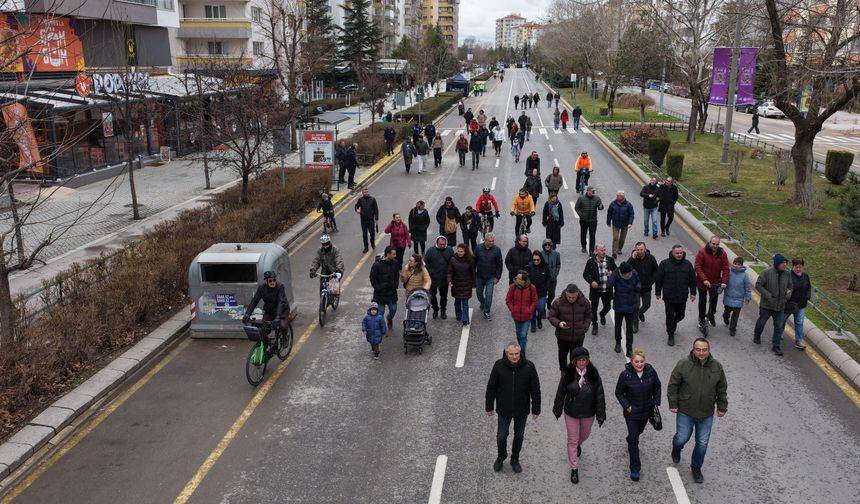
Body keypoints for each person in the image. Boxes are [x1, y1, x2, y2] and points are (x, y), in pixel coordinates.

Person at [668, 338, 728, 484]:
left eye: (704, 350)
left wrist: (722, 407)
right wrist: (673, 403)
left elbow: (722, 389)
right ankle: (676, 448)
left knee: (702, 443)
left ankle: (696, 468)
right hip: (685, 411)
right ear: (693, 349)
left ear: (709, 350)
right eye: (698, 349)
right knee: (681, 438)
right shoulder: (683, 364)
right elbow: (673, 385)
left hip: (706, 413)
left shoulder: (717, 366)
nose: (701, 352)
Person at [552, 347, 606, 485]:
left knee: (585, 435)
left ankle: (578, 445)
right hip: (571, 412)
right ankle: (574, 468)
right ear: (574, 361)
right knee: (572, 440)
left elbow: (599, 394)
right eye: (579, 360)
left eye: (584, 360)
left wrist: (601, 413)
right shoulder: (568, 374)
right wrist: (557, 409)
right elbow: (561, 392)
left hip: (588, 412)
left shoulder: (593, 374)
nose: (582, 363)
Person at [486, 342, 541, 474]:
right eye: (511, 354)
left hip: (522, 410)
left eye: (516, 354)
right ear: (506, 354)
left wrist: (536, 409)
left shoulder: (529, 366)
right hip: (503, 409)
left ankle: (515, 459)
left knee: (519, 436)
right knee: (501, 436)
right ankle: (501, 456)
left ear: (520, 353)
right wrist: (489, 406)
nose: (514, 356)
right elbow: (491, 387)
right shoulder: (498, 366)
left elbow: (535, 389)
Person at [614, 348, 662, 482]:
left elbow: (657, 386)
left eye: (641, 361)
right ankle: (635, 468)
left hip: (646, 412)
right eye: (636, 362)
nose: (639, 364)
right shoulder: (625, 375)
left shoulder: (650, 372)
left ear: (644, 361)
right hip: (632, 414)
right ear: (631, 362)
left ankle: (630, 439)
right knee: (634, 441)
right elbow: (619, 392)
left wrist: (656, 402)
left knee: (638, 432)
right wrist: (627, 406)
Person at [655, 245, 697, 347]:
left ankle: (672, 325)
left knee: (681, 315)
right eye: (677, 253)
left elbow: (692, 280)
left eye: (681, 253)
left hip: (682, 296)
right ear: (672, 253)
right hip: (669, 296)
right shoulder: (664, 263)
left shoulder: (688, 264)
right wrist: (658, 292)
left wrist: (693, 293)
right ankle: (670, 335)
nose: (679, 255)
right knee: (669, 316)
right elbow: (658, 278)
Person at [753, 254, 794, 356]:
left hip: (780, 306)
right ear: (777, 263)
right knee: (761, 322)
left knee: (779, 326)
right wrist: (768, 295)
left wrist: (788, 295)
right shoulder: (766, 272)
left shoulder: (787, 274)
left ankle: (776, 346)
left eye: (785, 263)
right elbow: (758, 285)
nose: (784, 265)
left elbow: (790, 286)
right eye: (782, 263)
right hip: (767, 305)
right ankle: (757, 335)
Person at [548, 283, 592, 371]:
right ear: (566, 294)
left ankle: (573, 374)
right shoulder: (558, 302)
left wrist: (584, 327)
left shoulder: (584, 302)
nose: (571, 299)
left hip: (578, 336)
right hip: (562, 336)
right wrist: (559, 323)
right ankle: (563, 372)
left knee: (575, 357)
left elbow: (589, 316)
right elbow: (551, 316)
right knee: (562, 356)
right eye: (569, 297)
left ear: (578, 294)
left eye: (573, 297)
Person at [694, 236, 730, 331]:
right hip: (703, 283)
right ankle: (701, 318)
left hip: (715, 283)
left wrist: (724, 282)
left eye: (717, 244)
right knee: (702, 301)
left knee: (713, 302)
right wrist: (704, 279)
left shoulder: (722, 253)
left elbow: (726, 269)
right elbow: (698, 267)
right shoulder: (702, 252)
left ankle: (711, 315)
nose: (715, 246)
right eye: (713, 244)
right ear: (709, 243)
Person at [607, 262, 641, 357]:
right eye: (626, 274)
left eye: (629, 273)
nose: (628, 275)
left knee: (629, 328)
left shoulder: (633, 273)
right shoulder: (616, 274)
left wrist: (638, 287)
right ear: (622, 272)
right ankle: (618, 343)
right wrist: (614, 274)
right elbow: (609, 284)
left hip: (631, 305)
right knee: (618, 326)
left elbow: (638, 281)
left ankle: (629, 347)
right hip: (619, 305)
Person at [583, 244, 617, 336]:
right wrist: (591, 282)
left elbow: (616, 270)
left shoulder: (610, 260)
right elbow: (585, 274)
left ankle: (602, 314)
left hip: (607, 289)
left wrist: (612, 273)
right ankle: (595, 325)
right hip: (596, 290)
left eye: (604, 250)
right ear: (596, 251)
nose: (604, 252)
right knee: (593, 309)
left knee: (608, 307)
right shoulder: (591, 261)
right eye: (601, 250)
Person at [628, 242, 659, 333]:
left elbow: (656, 271)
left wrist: (651, 280)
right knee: (636, 307)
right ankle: (635, 323)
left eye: (641, 249)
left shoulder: (651, 258)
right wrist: (632, 258)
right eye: (638, 249)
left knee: (647, 305)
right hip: (635, 288)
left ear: (645, 249)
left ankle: (641, 313)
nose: (640, 251)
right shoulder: (633, 259)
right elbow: (626, 269)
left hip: (647, 287)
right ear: (635, 249)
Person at [369, 246, 400, 329]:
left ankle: (389, 318)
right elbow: (373, 278)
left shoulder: (395, 263)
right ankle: (382, 327)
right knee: (380, 312)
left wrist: (395, 285)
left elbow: (397, 275)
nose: (395, 256)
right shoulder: (377, 265)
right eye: (393, 254)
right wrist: (378, 288)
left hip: (391, 293)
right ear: (388, 254)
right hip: (380, 294)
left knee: (393, 309)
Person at [784, 257, 811, 350]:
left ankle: (798, 341)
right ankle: (778, 334)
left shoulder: (805, 276)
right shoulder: (787, 275)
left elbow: (808, 288)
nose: (798, 269)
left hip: (801, 304)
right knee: (782, 320)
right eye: (796, 267)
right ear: (793, 266)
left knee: (799, 322)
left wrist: (807, 297)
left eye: (800, 267)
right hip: (789, 303)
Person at [506, 272, 538, 352]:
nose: (516, 279)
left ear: (524, 280)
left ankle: (522, 352)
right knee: (518, 334)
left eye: (519, 278)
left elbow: (534, 301)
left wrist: (529, 310)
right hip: (516, 315)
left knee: (523, 335)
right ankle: (520, 347)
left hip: (526, 316)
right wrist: (512, 309)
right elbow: (508, 299)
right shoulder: (513, 287)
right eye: (517, 278)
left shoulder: (532, 288)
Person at [424, 236, 454, 319]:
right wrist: (431, 272)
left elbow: (452, 263)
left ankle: (443, 311)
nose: (442, 246)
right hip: (433, 278)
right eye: (440, 244)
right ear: (437, 243)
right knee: (432, 295)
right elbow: (426, 263)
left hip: (444, 278)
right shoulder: (431, 251)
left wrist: (450, 275)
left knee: (444, 297)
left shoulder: (450, 250)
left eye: (444, 244)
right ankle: (435, 309)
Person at [475, 233, 503, 320]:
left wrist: (497, 277)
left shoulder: (497, 250)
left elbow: (500, 264)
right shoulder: (478, 248)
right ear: (485, 241)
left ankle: (487, 311)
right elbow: (473, 261)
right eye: (490, 241)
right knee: (478, 293)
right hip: (479, 276)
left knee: (489, 295)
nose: (491, 243)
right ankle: (482, 302)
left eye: (493, 241)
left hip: (491, 277)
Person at [722, 256, 751, 337]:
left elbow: (747, 287)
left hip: (739, 299)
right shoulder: (728, 272)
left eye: (738, 264)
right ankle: (725, 318)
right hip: (728, 297)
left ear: (741, 265)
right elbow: (723, 281)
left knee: (735, 316)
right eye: (735, 263)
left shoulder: (745, 275)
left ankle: (732, 329)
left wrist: (748, 297)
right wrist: (720, 289)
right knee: (726, 313)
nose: (736, 265)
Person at [448, 243, 476, 326]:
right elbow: (450, 272)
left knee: (465, 302)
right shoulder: (453, 259)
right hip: (456, 284)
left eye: (461, 251)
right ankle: (458, 315)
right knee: (457, 301)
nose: (459, 253)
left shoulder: (470, 260)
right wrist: (449, 280)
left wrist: (473, 283)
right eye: (458, 251)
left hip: (467, 284)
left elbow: (473, 273)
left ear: (465, 252)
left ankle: (465, 319)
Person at [526, 251, 551, 333]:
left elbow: (549, 278)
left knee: (540, 308)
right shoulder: (529, 267)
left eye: (538, 260)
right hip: (531, 293)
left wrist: (546, 287)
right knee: (532, 310)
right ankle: (533, 325)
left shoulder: (545, 266)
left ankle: (539, 318)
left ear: (541, 259)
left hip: (542, 292)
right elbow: (525, 278)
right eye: (534, 260)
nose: (536, 261)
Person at [575, 186, 604, 255]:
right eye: (592, 191)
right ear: (587, 191)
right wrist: (581, 215)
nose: (593, 192)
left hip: (593, 220)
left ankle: (591, 250)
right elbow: (576, 207)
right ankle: (583, 246)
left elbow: (600, 207)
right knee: (583, 233)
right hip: (583, 220)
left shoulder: (597, 198)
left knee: (592, 235)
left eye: (594, 191)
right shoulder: (581, 198)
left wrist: (601, 206)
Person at [607, 190, 635, 259]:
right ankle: (614, 252)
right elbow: (609, 213)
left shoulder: (628, 205)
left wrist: (630, 223)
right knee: (615, 238)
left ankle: (619, 248)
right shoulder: (612, 204)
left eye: (618, 196)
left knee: (622, 238)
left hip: (625, 224)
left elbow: (631, 214)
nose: (616, 197)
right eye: (616, 195)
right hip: (615, 224)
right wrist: (608, 221)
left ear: (622, 197)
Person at [354, 187, 379, 253]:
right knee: (364, 234)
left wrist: (376, 218)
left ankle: (372, 243)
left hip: (371, 220)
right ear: (362, 193)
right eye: (364, 192)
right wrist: (357, 210)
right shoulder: (360, 200)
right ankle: (366, 247)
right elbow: (356, 206)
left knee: (372, 233)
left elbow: (376, 209)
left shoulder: (373, 199)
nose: (366, 193)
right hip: (363, 220)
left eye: (367, 192)